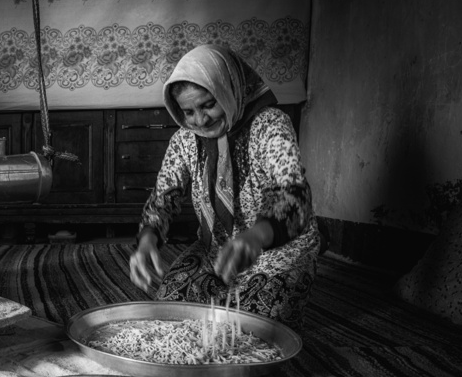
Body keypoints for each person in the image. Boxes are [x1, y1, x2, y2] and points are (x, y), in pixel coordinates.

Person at [129, 44, 321, 329]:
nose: (200, 120)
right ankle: (223, 295)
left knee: (250, 326)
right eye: (188, 111)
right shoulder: (185, 139)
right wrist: (147, 241)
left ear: (228, 89)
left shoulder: (270, 125)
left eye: (208, 104)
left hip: (274, 250)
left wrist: (255, 237)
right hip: (216, 252)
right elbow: (163, 198)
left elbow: (293, 196)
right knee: (168, 311)